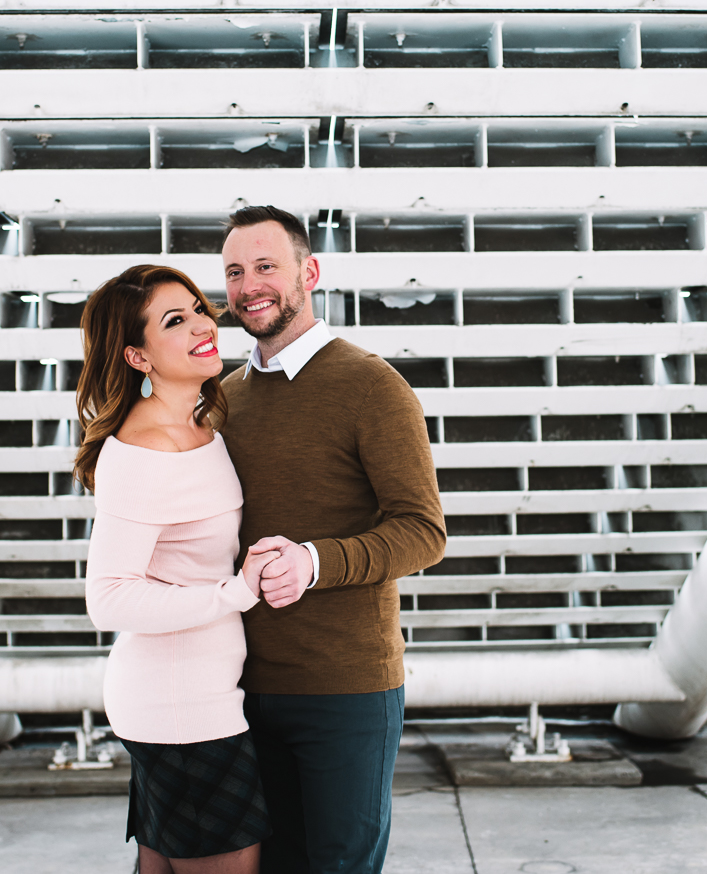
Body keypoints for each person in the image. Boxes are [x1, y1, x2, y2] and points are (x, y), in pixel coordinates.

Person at [219, 206, 447, 874]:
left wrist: (314, 562)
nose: (248, 285)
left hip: (344, 691)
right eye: (234, 271)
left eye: (266, 266)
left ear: (309, 272)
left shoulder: (371, 385)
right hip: (241, 687)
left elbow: (423, 530)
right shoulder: (224, 399)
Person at [79, 263, 279, 874]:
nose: (202, 325)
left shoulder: (199, 425)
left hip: (197, 697)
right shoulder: (144, 450)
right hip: (180, 707)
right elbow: (108, 599)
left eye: (197, 308)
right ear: (137, 357)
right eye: (175, 320)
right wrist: (235, 592)